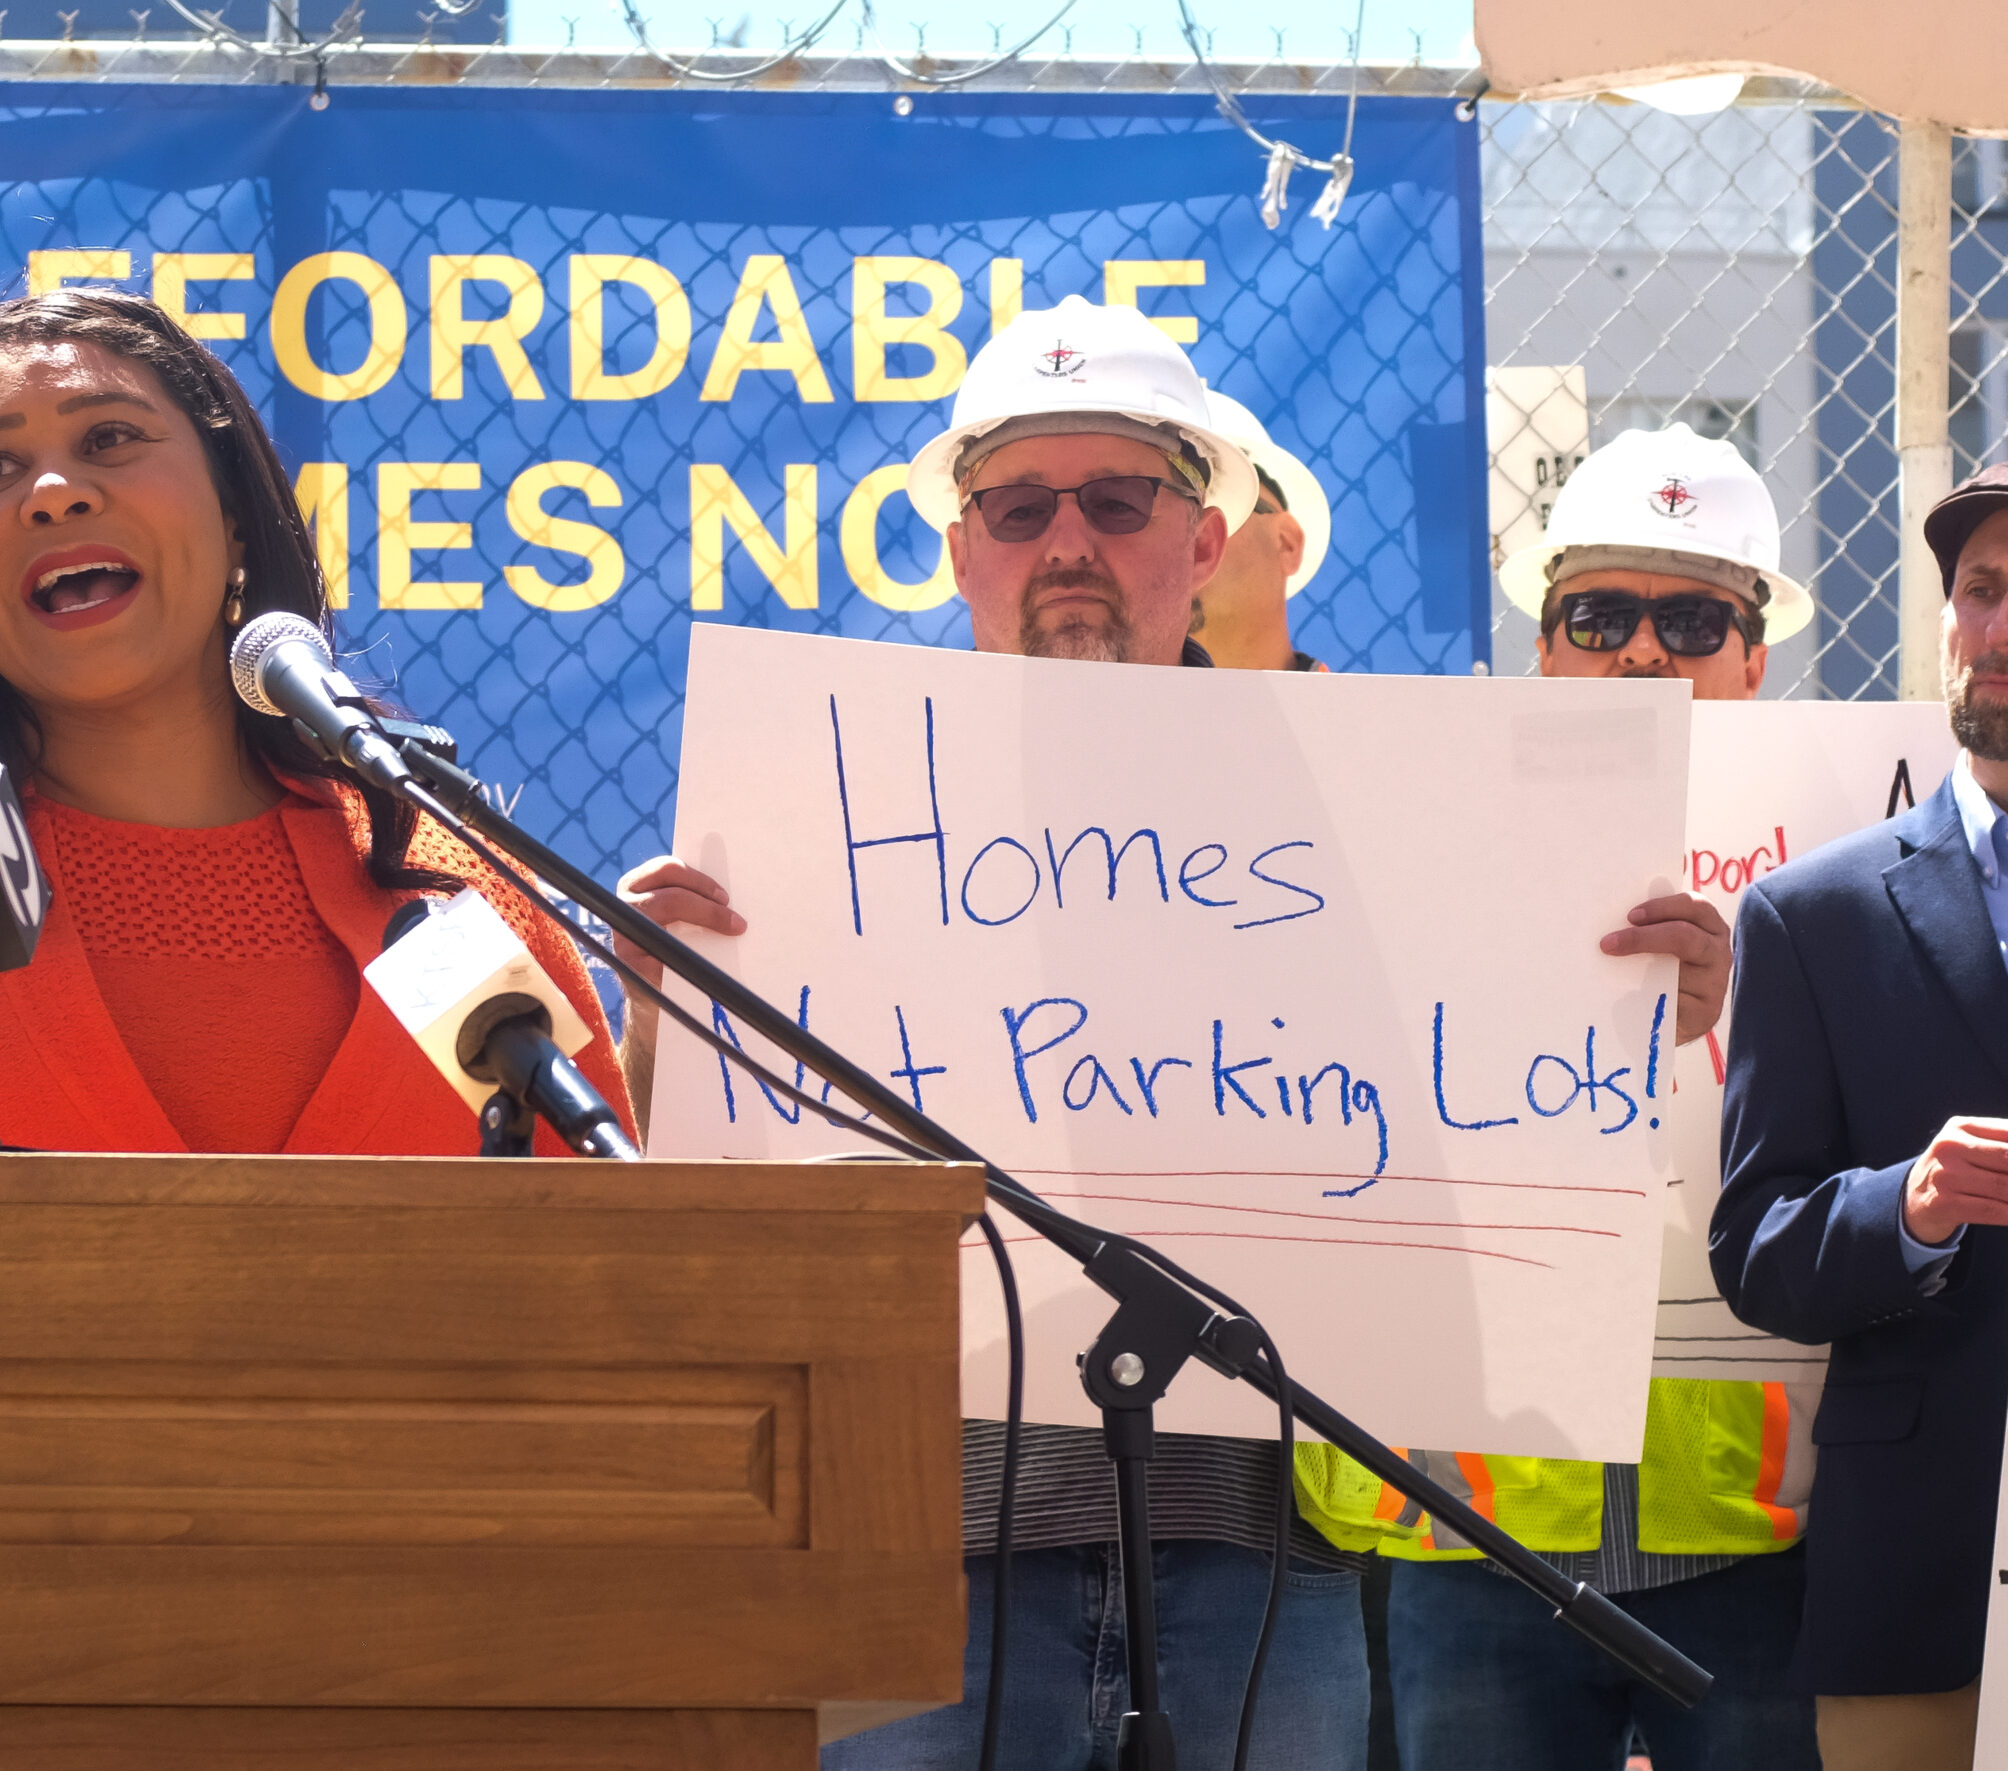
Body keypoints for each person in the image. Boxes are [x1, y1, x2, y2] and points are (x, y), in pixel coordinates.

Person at [611, 296, 1728, 1771]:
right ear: (962, 550)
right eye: (1018, 505)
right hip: (921, 1537)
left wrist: (1647, 1015)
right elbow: (702, 1186)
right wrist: (658, 1014)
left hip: (1259, 1547)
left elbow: (1494, 1117)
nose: (1065, 541)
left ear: (1201, 544)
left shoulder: (1376, 799)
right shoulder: (812, 809)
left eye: (1116, 499)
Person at [0, 287, 625, 1161]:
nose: (55, 492)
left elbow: (623, 1294)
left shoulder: (456, 881)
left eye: (109, 437)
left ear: (235, 517)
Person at [1373, 425, 1821, 1771]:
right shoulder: (1401, 843)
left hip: (1761, 1533)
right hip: (1474, 1524)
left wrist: (1727, 1022)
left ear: (1755, 655)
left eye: (1692, 618)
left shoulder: (1858, 853)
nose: (1643, 652)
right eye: (1602, 614)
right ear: (1547, 645)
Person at [1710, 460, 2008, 1771]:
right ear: (1948, 620)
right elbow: (1757, 1244)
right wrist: (1912, 1205)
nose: (2000, 627)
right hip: (1916, 1577)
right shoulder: (1812, 914)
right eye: (1984, 591)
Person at [1188, 389, 1334, 672]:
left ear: (1286, 543)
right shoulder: (1094, 711)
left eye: (1211, 503)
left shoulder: (1361, 714)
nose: (1177, 535)